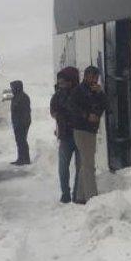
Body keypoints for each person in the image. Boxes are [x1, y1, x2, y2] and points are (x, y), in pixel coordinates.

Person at [67, 65, 106, 203]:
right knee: (89, 163)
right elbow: (72, 107)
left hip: (91, 130)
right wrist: (87, 116)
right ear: (86, 76)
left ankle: (80, 196)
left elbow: (104, 105)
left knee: (85, 162)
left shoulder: (96, 91)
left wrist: (101, 93)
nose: (95, 79)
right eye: (93, 76)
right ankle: (92, 197)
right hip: (82, 130)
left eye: (97, 77)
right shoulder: (79, 91)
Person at [50, 66, 80, 203]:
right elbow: (53, 111)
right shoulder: (58, 95)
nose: (61, 84)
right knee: (63, 168)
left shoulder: (80, 93)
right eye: (60, 81)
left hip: (80, 135)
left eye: (64, 81)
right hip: (65, 136)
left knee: (80, 167)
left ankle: (77, 193)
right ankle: (66, 194)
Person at [9, 80, 32, 165]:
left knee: (22, 141)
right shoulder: (16, 97)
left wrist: (23, 122)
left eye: (13, 87)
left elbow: (26, 111)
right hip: (17, 122)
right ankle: (21, 158)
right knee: (19, 141)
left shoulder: (23, 97)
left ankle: (25, 159)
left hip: (22, 123)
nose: (12, 89)